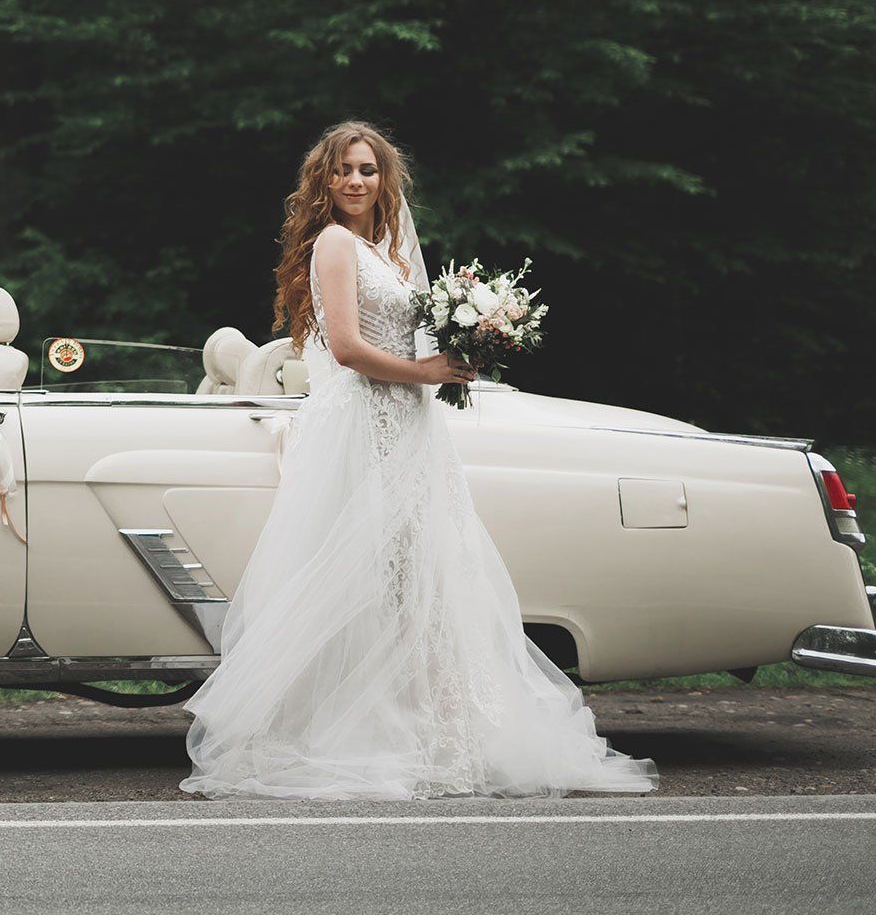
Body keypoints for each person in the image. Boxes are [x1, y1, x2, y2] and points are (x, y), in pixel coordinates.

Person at [179, 120, 659, 800]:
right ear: (324, 179)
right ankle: (385, 734)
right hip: (364, 425)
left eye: (367, 169)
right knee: (380, 578)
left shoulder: (390, 252)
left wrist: (466, 347)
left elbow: (411, 334)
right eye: (342, 169)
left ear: (384, 179)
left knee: (423, 578)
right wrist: (427, 370)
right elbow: (347, 349)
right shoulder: (336, 243)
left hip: (410, 424)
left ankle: (438, 730)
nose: (354, 180)